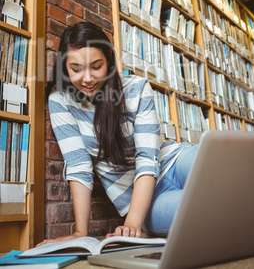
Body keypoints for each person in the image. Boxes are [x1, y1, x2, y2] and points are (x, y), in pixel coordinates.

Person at [44, 21, 198, 244]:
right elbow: (79, 167)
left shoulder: (136, 88)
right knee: (210, 204)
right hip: (145, 203)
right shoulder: (60, 101)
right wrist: (82, 232)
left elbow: (147, 158)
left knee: (226, 168)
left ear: (108, 58)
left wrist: (131, 224)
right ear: (64, 66)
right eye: (76, 69)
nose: (87, 79)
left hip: (173, 161)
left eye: (96, 66)